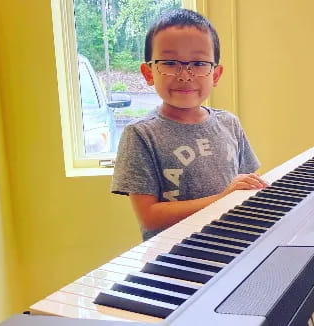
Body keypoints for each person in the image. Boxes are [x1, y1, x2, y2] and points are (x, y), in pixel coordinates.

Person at [111, 9, 267, 241]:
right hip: (177, 259)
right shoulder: (141, 134)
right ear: (148, 72)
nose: (185, 75)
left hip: (232, 248)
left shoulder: (229, 123)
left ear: (216, 74)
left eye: (198, 63)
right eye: (170, 62)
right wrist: (222, 199)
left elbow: (246, 187)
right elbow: (149, 216)